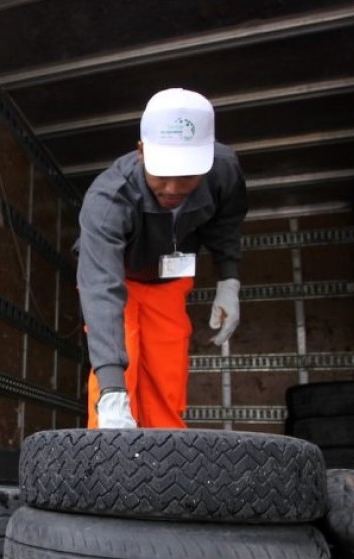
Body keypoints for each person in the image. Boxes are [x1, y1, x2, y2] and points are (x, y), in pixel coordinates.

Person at [76, 88, 249, 429]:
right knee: (117, 378)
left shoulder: (225, 172)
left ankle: (164, 466)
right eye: (162, 174)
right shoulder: (108, 198)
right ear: (141, 151)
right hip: (116, 282)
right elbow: (99, 287)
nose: (172, 188)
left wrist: (229, 281)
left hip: (168, 281)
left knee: (165, 383)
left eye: (186, 176)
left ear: (207, 161)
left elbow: (226, 224)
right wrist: (112, 389)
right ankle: (110, 455)